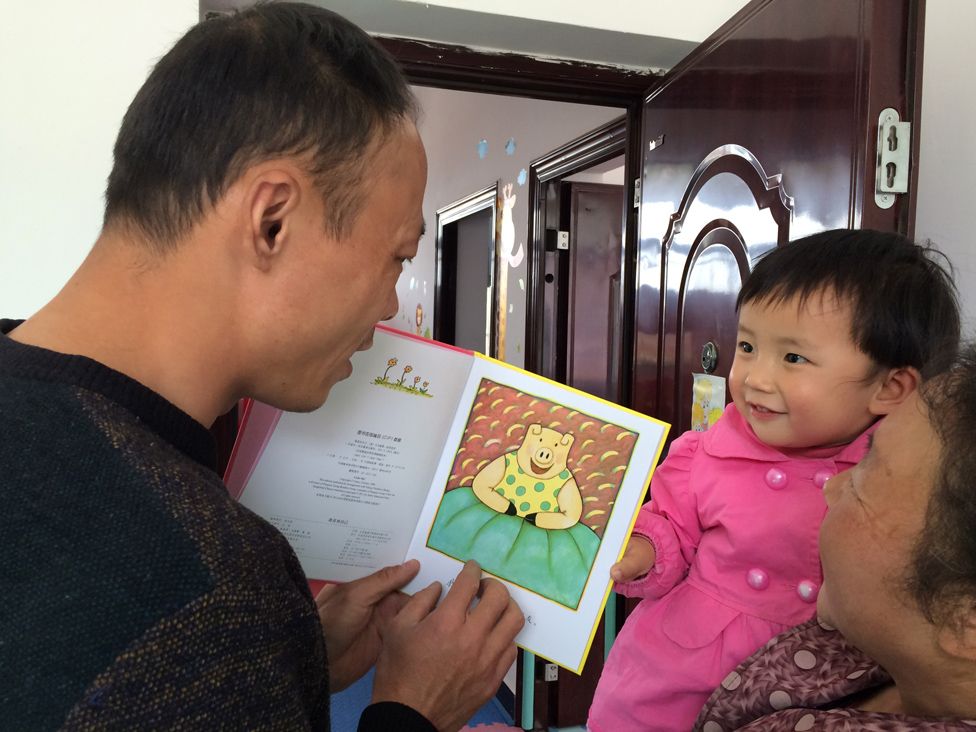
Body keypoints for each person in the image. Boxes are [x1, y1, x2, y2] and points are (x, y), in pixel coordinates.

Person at [0, 4, 522, 731]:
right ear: (271, 219)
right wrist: (410, 717)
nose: (389, 307)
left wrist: (291, 660)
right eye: (396, 257)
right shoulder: (217, 596)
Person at [588, 229, 960, 732]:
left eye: (793, 358)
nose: (756, 378)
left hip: (826, 678)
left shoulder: (900, 482)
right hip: (683, 671)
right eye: (747, 346)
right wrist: (643, 551)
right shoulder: (708, 450)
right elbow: (670, 525)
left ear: (891, 386)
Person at [694, 342, 976, 729]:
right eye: (745, 346)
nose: (831, 489)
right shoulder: (869, 636)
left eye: (861, 485)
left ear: (966, 618)